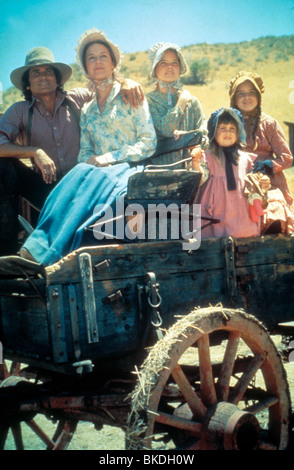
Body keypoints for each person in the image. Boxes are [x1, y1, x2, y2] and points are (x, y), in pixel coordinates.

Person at [20, 29, 156, 266]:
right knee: (77, 175)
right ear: (85, 67)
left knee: (87, 175)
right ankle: (38, 245)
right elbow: (85, 152)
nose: (97, 62)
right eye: (91, 58)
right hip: (99, 173)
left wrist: (108, 158)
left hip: (130, 170)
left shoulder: (131, 95)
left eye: (103, 56)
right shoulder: (88, 109)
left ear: (113, 62)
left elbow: (149, 142)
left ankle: (49, 256)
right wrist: (92, 161)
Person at [229, 71, 294, 235]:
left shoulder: (269, 124)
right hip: (238, 180)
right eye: (241, 94)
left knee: (275, 212)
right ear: (234, 99)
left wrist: (268, 165)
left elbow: (287, 158)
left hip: (268, 181)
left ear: (258, 96)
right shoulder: (227, 124)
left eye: (252, 93)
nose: (247, 98)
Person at [192, 107, 260, 239]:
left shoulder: (245, 158)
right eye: (222, 128)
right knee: (214, 238)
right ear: (213, 132)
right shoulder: (207, 156)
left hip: (240, 209)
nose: (227, 132)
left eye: (232, 129)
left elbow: (253, 182)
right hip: (215, 209)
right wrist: (195, 162)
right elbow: (200, 178)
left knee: (243, 238)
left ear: (239, 132)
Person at [145, 42, 208, 167]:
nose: (170, 67)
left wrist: (191, 139)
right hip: (158, 169)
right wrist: (181, 103)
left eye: (175, 63)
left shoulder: (192, 101)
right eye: (163, 63)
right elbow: (167, 131)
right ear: (154, 67)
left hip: (191, 167)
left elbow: (205, 135)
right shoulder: (148, 101)